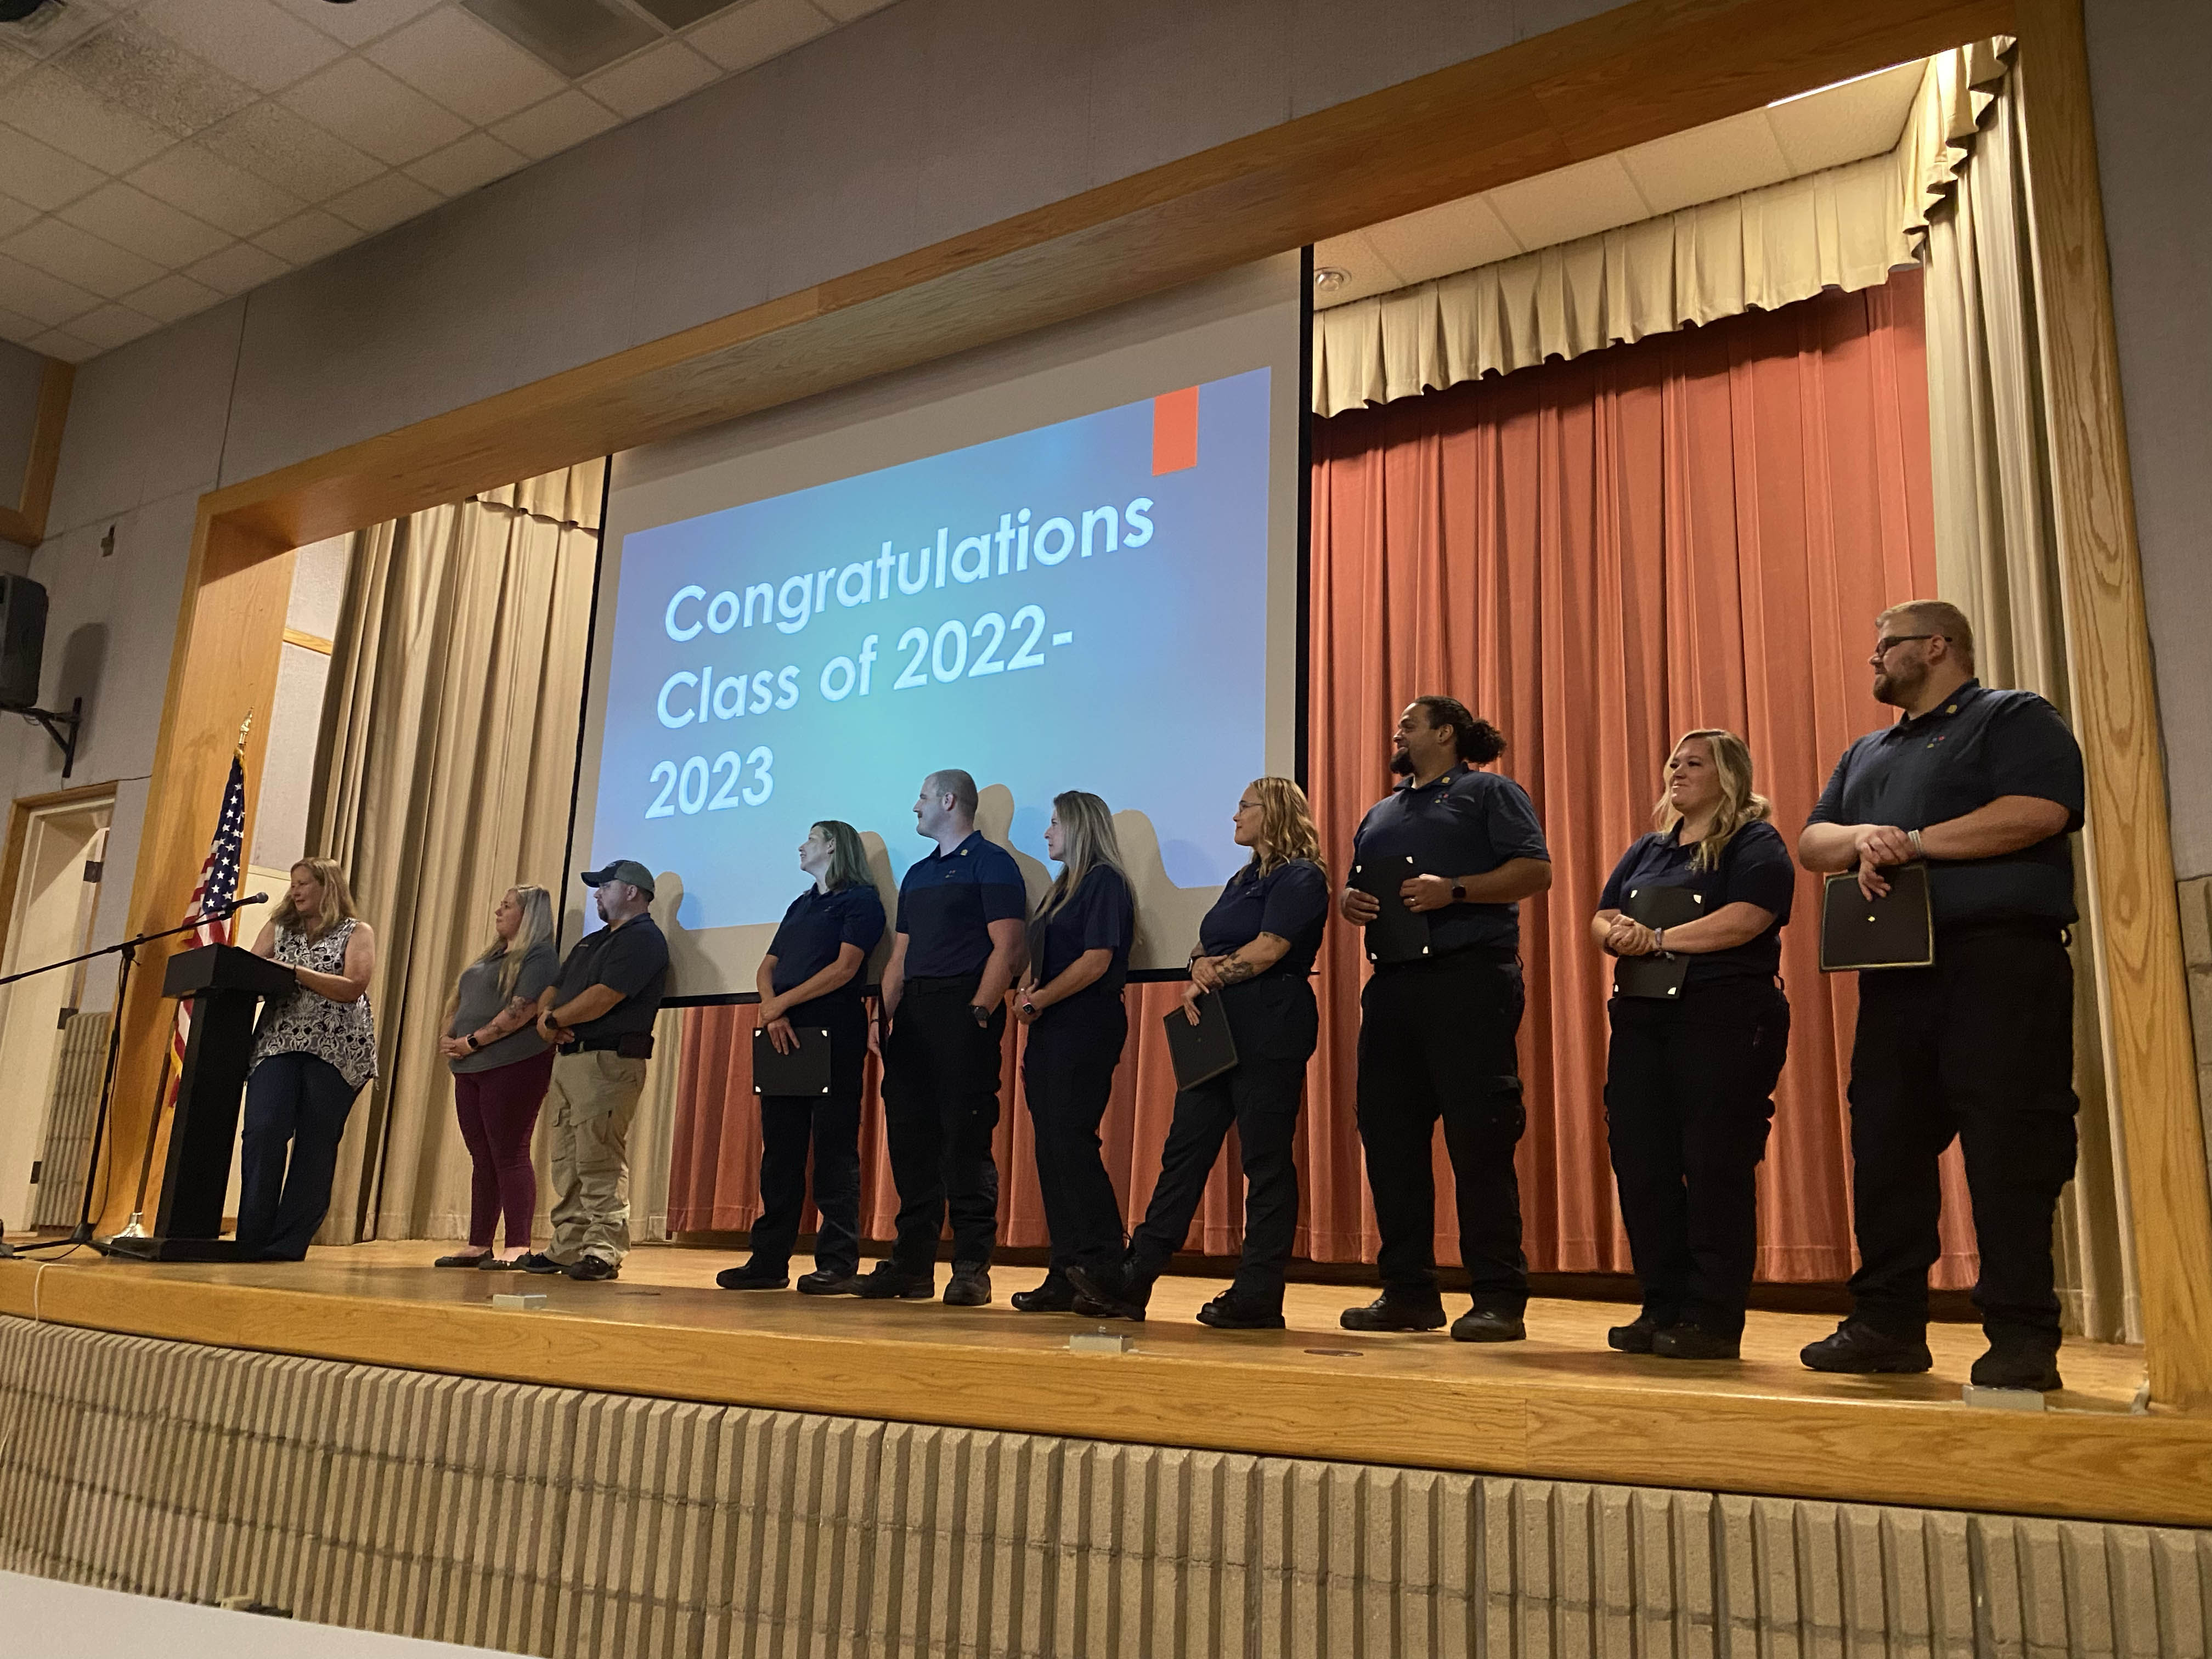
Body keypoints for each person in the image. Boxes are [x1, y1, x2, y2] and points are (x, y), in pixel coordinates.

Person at [1797, 601, 2086, 1391]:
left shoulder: (2013, 716)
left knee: (2008, 1152)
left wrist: (1912, 843)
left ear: (1937, 646)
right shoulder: (1867, 751)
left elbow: (2039, 812)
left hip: (1999, 965)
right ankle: (1887, 1325)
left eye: (1885, 646)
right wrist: (1866, 837)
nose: (1874, 662)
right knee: (1886, 1151)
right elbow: (1813, 840)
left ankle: (2022, 1337)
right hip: (1895, 976)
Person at [1070, 777, 1329, 1329]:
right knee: (1183, 1153)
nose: (1235, 816)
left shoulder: (1300, 877)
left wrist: (1211, 975)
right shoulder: (1241, 879)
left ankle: (1258, 1292)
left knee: (1264, 1160)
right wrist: (1198, 968)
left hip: (1269, 1023)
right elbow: (1204, 942)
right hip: (1218, 1027)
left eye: (1244, 807)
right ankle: (1135, 1279)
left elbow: (1270, 948)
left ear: (1274, 812)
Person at [1340, 696, 1551, 1342]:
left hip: (1469, 984)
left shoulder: (1489, 791)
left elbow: (1535, 871)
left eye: (1409, 723)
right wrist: (1352, 901)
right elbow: (1361, 883)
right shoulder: (1381, 812)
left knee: (1478, 1138)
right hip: (1394, 987)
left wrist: (1453, 890)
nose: (1397, 732)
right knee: (1390, 1139)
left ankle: (1498, 1296)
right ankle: (1408, 1291)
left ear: (1445, 733)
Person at [1591, 730, 1794, 1359]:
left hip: (1722, 1019)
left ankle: (1712, 1316)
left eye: (1694, 763)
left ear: (1729, 774)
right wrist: (1616, 932)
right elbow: (1601, 914)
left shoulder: (1753, 842)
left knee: (1713, 1165)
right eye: (1674, 762)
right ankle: (1662, 1303)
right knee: (1642, 1164)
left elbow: (1750, 917)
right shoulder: (1647, 849)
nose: (1677, 770)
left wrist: (1656, 938)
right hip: (1642, 1022)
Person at [857, 770, 1027, 1305]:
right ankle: (912, 1266)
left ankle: (972, 1267)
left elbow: (1010, 947)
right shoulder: (918, 875)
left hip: (962, 1007)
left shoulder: (992, 864)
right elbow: (901, 956)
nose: (915, 807)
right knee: (911, 1142)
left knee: (964, 1140)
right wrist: (880, 1019)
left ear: (949, 802)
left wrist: (979, 1009)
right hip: (914, 1015)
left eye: (923, 798)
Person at [717, 821, 885, 1296]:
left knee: (834, 1151)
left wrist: (782, 1005)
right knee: (780, 1155)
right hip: (782, 1034)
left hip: (831, 1031)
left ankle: (837, 1261)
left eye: (809, 839)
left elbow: (846, 967)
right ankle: (769, 1261)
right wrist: (773, 1010)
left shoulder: (860, 901)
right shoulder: (800, 903)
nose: (800, 846)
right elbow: (768, 966)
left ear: (832, 846)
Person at [1009, 791, 1136, 1312]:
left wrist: (1038, 998)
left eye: (1055, 824)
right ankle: (1065, 1270)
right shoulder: (1063, 888)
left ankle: (1106, 1265)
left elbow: (1097, 959)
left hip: (1085, 1026)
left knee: (1071, 1143)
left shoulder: (1103, 881)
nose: (1047, 834)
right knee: (1051, 1149)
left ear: (1080, 827)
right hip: (1051, 1030)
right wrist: (1024, 992)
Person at [516, 860, 670, 1283]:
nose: (598, 893)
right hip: (570, 1060)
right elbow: (557, 986)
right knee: (567, 1157)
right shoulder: (593, 942)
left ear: (633, 892)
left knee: (599, 1156)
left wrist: (552, 1020)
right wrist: (549, 1018)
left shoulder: (643, 940)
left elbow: (606, 996)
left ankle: (603, 1249)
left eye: (605, 886)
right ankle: (568, 1244)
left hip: (609, 1062)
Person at [239, 857, 379, 1261]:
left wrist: (296, 972)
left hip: (337, 1050)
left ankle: (287, 1243)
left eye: (303, 884)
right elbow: (251, 969)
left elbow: (353, 985)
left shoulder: (356, 932)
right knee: (263, 1131)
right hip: (278, 1043)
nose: (295, 891)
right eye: (293, 884)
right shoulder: (279, 928)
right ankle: (251, 1237)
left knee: (315, 1146)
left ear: (327, 888)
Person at [434, 884, 561, 1270]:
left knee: (509, 1152)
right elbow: (460, 999)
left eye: (508, 906)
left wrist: (473, 1040)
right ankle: (479, 1243)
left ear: (530, 915)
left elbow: (522, 1010)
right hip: (470, 1067)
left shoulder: (540, 956)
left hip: (513, 1064)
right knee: (482, 1156)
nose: (498, 910)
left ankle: (518, 1244)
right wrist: (447, 1034)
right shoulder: (491, 956)